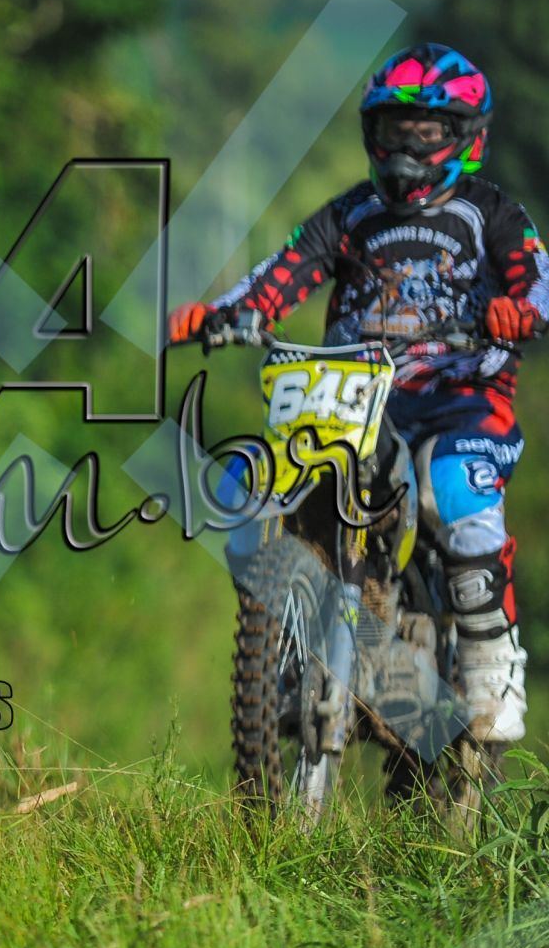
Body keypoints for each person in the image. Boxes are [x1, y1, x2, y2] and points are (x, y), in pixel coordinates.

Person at [170, 43, 543, 744]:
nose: (405, 147)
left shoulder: (491, 213)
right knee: (250, 481)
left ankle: (491, 663)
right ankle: (295, 634)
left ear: (465, 136)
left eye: (424, 132)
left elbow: (538, 278)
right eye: (393, 129)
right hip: (357, 395)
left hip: (462, 398)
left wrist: (521, 310)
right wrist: (223, 314)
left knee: (454, 490)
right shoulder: (350, 215)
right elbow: (282, 272)